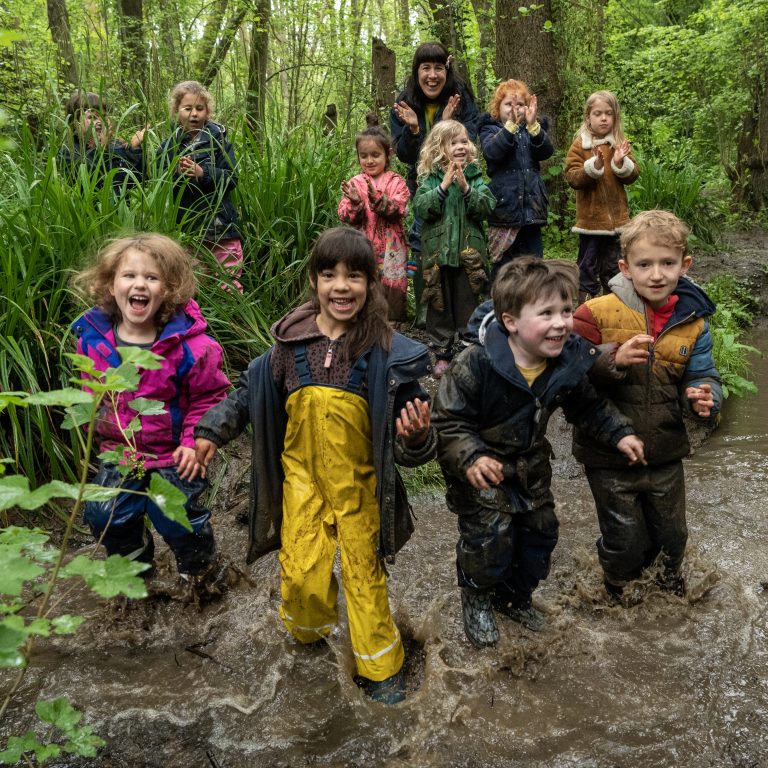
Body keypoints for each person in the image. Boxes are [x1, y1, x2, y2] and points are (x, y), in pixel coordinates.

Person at [193, 227, 437, 704]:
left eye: (354, 276)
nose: (341, 286)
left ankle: (382, 666)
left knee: (365, 577)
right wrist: (212, 430)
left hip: (359, 487)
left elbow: (413, 442)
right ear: (314, 280)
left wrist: (418, 434)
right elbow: (246, 395)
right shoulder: (289, 346)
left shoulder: (385, 353)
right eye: (329, 275)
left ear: (371, 284)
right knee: (301, 573)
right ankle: (310, 634)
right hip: (300, 483)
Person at [432, 257, 645, 648]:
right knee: (489, 538)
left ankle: (514, 597)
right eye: (546, 313)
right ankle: (477, 596)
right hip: (481, 466)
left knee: (540, 535)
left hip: (530, 464)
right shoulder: (476, 364)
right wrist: (472, 458)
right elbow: (447, 420)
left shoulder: (564, 361)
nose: (561, 322)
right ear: (511, 321)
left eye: (566, 310)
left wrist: (619, 434)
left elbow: (588, 406)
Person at [72, 233, 233, 601]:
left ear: (169, 290)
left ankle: (200, 572)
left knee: (176, 519)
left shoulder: (192, 346)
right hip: (120, 451)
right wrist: (89, 428)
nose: (139, 284)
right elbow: (88, 393)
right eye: (129, 275)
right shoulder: (92, 339)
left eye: (152, 278)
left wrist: (194, 442)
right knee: (103, 514)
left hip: (174, 454)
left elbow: (210, 396)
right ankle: (135, 569)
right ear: (110, 285)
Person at [572, 209, 722, 599]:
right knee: (625, 540)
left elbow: (703, 374)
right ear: (625, 267)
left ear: (684, 265)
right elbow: (569, 373)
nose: (656, 273)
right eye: (645, 264)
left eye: (667, 263)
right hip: (607, 453)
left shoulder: (694, 323)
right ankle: (617, 595)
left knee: (673, 538)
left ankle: (669, 604)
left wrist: (704, 397)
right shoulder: (595, 313)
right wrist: (611, 361)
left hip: (665, 450)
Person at [390, 41, 480, 324]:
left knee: (460, 246)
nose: (432, 75)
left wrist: (446, 124)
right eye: (425, 68)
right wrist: (415, 129)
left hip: (461, 186)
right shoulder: (404, 102)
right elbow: (405, 155)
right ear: (416, 72)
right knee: (422, 245)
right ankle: (426, 316)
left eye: (438, 68)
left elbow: (470, 142)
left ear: (447, 70)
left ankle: (463, 317)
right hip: (425, 187)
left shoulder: (460, 98)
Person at [132, 80, 244, 291]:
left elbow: (231, 178)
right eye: (188, 108)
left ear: (207, 112)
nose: (194, 114)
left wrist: (203, 173)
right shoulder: (169, 146)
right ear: (176, 110)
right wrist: (138, 152)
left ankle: (233, 322)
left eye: (200, 109)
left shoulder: (219, 142)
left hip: (222, 228)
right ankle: (199, 322)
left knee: (229, 285)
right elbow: (153, 180)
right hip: (189, 230)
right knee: (193, 285)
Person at [412, 119, 496, 378]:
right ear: (439, 149)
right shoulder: (430, 179)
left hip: (468, 255)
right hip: (438, 255)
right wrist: (443, 186)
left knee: (469, 298)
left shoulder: (475, 177)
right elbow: (421, 208)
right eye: (453, 142)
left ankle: (469, 349)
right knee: (439, 302)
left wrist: (466, 187)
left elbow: (487, 206)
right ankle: (442, 352)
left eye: (464, 141)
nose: (461, 146)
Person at [565, 90, 640, 303]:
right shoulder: (581, 144)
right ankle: (586, 308)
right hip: (590, 223)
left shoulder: (618, 143)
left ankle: (614, 306)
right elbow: (572, 176)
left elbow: (633, 174)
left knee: (614, 266)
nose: (603, 118)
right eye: (597, 113)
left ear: (615, 117)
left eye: (608, 113)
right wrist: (593, 167)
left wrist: (619, 163)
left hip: (618, 223)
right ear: (588, 117)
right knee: (587, 267)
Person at [338, 113, 411, 322]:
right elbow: (344, 214)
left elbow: (398, 207)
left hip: (392, 246)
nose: (369, 161)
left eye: (375, 155)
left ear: (387, 155)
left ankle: (395, 328)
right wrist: (355, 202)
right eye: (364, 156)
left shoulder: (395, 181)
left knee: (393, 286)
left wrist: (377, 199)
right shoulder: (355, 183)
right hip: (363, 245)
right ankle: (363, 323)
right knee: (364, 283)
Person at [478, 79, 554, 278]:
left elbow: (546, 152)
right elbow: (492, 153)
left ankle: (533, 302)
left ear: (528, 107)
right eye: (508, 104)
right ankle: (500, 303)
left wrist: (533, 126)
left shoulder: (533, 130)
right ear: (498, 108)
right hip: (505, 211)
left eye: (520, 104)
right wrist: (510, 127)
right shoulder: (490, 129)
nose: (514, 109)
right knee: (503, 266)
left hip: (532, 211)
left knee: (534, 266)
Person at [57, 90, 141, 189]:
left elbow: (136, 181)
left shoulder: (116, 145)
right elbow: (82, 184)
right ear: (75, 122)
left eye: (104, 116)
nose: (100, 122)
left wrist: (135, 151)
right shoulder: (68, 151)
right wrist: (101, 150)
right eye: (92, 117)